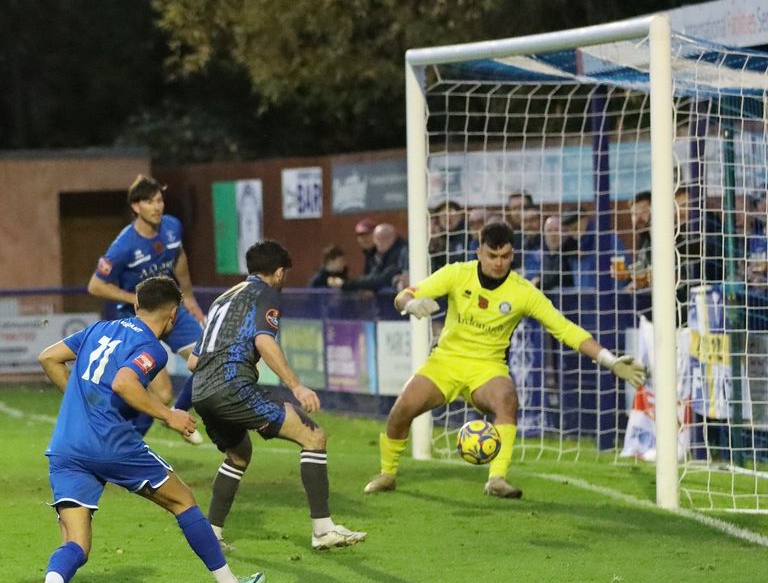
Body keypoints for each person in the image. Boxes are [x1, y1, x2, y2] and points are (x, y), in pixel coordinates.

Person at [34, 276, 266, 583]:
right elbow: (124, 382)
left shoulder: (99, 329)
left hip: (67, 446)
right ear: (173, 315)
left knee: (78, 542)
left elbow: (49, 357)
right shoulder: (153, 348)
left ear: (136, 305)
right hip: (112, 444)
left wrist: (78, 401)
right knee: (183, 501)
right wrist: (168, 414)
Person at [363, 222, 647, 499]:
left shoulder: (522, 291)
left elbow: (565, 329)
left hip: (487, 369)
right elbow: (405, 294)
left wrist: (609, 360)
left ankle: (497, 478)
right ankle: (387, 473)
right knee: (402, 409)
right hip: (445, 362)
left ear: (512, 254)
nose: (499, 263)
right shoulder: (456, 274)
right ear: (479, 252)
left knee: (507, 397)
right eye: (492, 256)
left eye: (505, 256)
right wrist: (410, 303)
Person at [189, 241, 366, 551]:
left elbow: (193, 359)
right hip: (232, 386)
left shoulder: (222, 298)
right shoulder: (265, 294)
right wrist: (297, 386)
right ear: (280, 272)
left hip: (201, 389)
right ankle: (323, 530)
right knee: (314, 437)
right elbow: (264, 342)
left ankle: (212, 535)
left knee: (239, 453)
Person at [86, 175, 204, 434]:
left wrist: (190, 296)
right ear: (136, 207)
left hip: (173, 310)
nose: (157, 206)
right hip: (138, 318)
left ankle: (179, 413)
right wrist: (134, 299)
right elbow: (95, 285)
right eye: (149, 202)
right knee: (161, 395)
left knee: (207, 360)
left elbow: (179, 257)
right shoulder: (123, 246)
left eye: (160, 200)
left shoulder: (172, 226)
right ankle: (120, 437)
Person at [343, 223, 408, 295]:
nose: (376, 245)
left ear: (385, 239)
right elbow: (375, 274)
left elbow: (384, 278)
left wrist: (350, 283)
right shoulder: (382, 254)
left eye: (376, 241)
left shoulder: (401, 252)